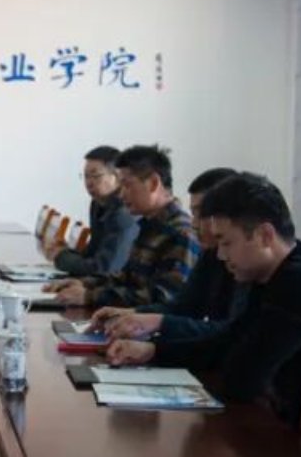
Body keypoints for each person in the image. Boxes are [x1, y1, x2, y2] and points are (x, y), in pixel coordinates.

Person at [107, 173, 301, 418]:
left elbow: (242, 378)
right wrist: (153, 352)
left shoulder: (300, 283)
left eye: (226, 243)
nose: (220, 256)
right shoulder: (277, 269)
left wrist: (174, 352)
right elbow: (229, 339)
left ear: (265, 235)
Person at [94, 167, 241, 343]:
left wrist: (157, 324)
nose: (194, 224)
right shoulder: (211, 252)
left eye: (202, 214)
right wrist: (133, 314)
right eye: (194, 213)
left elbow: (232, 332)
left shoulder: (182, 233)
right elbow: (184, 306)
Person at [47, 144, 197, 309]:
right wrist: (84, 283)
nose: (122, 194)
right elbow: (125, 277)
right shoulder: (148, 224)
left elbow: (162, 298)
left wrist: (90, 296)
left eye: (127, 185)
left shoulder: (180, 233)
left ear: (153, 183)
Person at [46, 146, 139, 276]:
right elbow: (92, 253)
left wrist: (61, 257)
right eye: (86, 176)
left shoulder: (123, 214)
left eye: (95, 176)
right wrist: (65, 252)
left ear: (117, 177)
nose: (89, 183)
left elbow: (104, 270)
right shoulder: (97, 204)